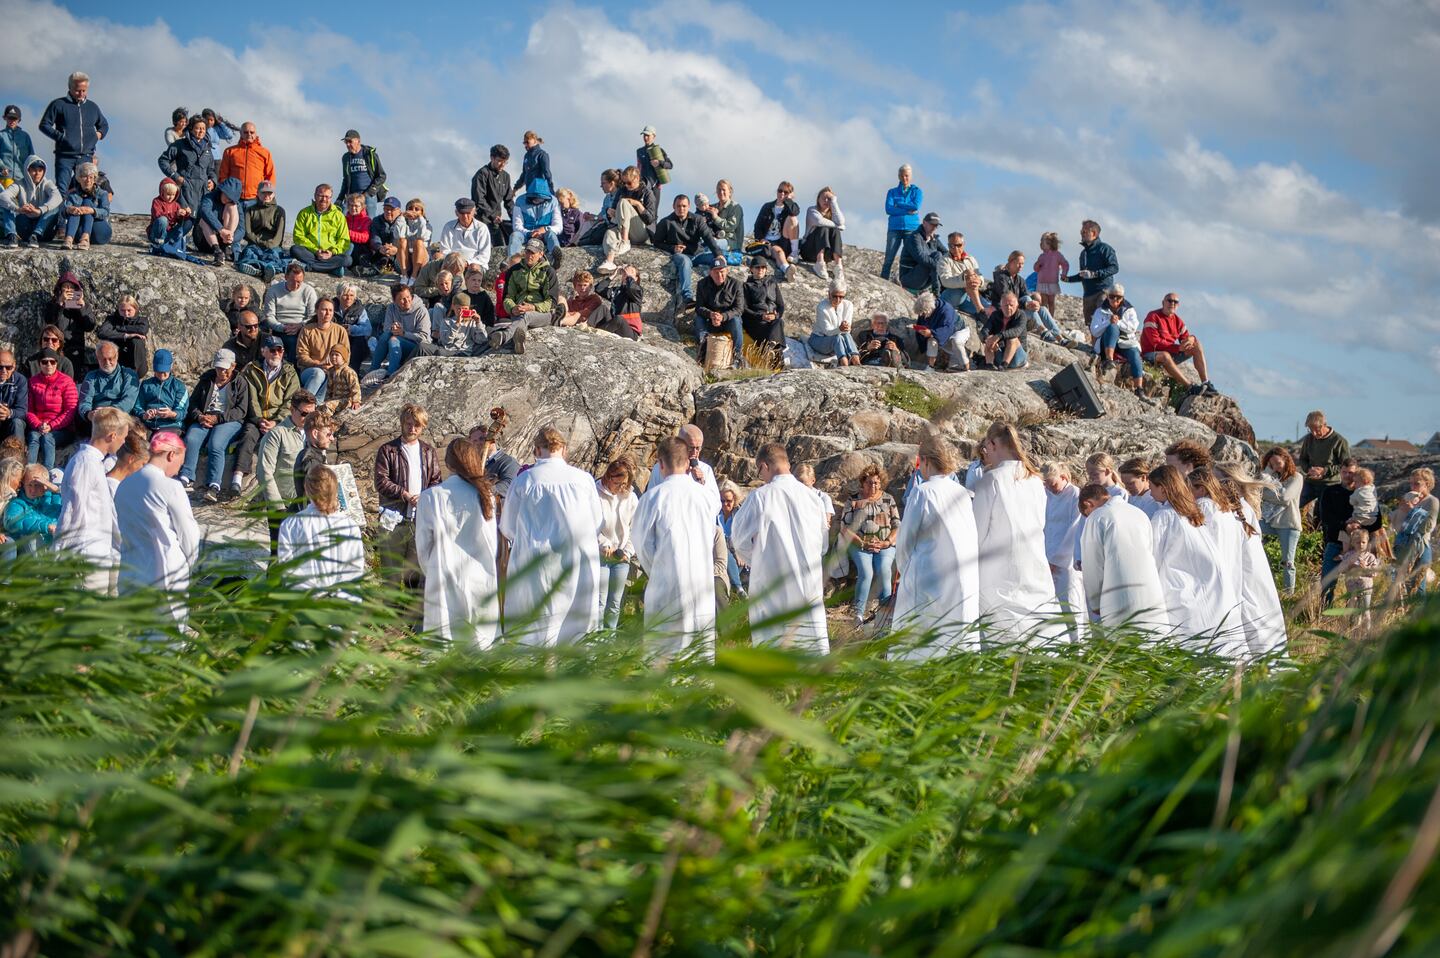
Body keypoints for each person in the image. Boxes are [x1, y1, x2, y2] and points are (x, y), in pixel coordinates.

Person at [499, 427, 604, 646]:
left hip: (537, 562)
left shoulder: (525, 481)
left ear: (536, 450)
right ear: (564, 449)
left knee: (536, 623)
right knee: (573, 624)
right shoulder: (583, 480)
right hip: (575, 560)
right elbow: (596, 523)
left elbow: (508, 526)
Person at [729, 443, 829, 653]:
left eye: (759, 471)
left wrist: (756, 560)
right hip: (807, 579)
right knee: (809, 642)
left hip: (772, 581)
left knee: (774, 643)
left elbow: (738, 539)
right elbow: (823, 543)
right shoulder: (813, 498)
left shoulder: (761, 496)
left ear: (764, 466)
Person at [971, 422, 1065, 645]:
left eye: (986, 449)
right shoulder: (1034, 481)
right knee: (1040, 635)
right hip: (1033, 565)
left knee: (1002, 641)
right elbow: (1041, 522)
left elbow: (976, 534)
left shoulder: (991, 480)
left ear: (993, 444)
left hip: (998, 573)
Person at [889, 437, 979, 655]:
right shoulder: (962, 493)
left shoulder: (923, 491)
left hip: (928, 572)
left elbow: (906, 538)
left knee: (922, 633)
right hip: (961, 573)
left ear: (926, 461)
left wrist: (902, 567)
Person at [632, 436, 718, 659]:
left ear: (661, 464)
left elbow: (641, 543)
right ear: (688, 463)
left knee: (666, 643)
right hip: (700, 578)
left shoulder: (653, 498)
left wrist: (657, 568)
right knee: (699, 640)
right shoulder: (705, 497)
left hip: (667, 578)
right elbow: (709, 535)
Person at [414, 438, 501, 646]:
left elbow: (423, 545)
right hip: (479, 572)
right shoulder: (485, 495)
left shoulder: (430, 497)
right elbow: (492, 541)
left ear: (448, 464)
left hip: (443, 571)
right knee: (480, 642)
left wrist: (431, 569)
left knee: (444, 641)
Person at [114, 431, 200, 626]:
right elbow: (189, 536)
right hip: (166, 572)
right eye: (180, 462)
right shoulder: (171, 486)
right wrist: (190, 565)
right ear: (172, 455)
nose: (179, 469)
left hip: (131, 571)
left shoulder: (124, 485)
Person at [1146, 464, 1235, 648]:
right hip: (1206, 586)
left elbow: (1152, 557)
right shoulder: (1192, 515)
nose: (1149, 493)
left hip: (1180, 587)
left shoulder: (1164, 517)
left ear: (1162, 488)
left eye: (1152, 487)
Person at [1215, 462, 1288, 658]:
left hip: (1246, 572)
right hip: (1249, 571)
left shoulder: (1239, 509)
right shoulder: (1240, 508)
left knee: (1252, 612)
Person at [1077, 483, 1168, 632]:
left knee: (1124, 645)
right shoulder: (1138, 513)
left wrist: (1095, 603)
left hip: (1118, 596)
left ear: (1088, 504)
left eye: (1087, 513)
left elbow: (1093, 564)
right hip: (1151, 594)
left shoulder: (1097, 517)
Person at [56, 405, 126, 593]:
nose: (124, 442)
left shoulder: (93, 462)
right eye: (123, 437)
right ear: (112, 436)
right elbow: (72, 509)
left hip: (96, 551)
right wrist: (59, 552)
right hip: (85, 554)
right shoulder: (85, 463)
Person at [374, 403, 441, 594]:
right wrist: (404, 494)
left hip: (419, 521)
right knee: (392, 577)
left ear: (423, 427)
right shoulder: (388, 450)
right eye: (409, 424)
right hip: (393, 521)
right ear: (402, 423)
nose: (412, 429)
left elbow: (436, 481)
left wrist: (425, 496)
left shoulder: (429, 452)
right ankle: (390, 623)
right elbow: (380, 481)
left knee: (416, 576)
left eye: (417, 425)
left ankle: (414, 623)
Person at [277, 465, 366, 599]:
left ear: (307, 490)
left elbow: (287, 570)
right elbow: (355, 569)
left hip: (304, 602)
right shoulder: (350, 526)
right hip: (343, 603)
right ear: (335, 489)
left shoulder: (290, 524)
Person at [177, 349, 249, 494]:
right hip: (205, 417)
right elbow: (193, 403)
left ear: (233, 366)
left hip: (228, 420)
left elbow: (241, 410)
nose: (222, 372)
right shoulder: (206, 379)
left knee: (216, 444)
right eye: (218, 368)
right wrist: (199, 416)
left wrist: (218, 419)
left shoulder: (240, 382)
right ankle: (187, 476)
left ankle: (214, 484)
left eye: (225, 368)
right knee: (191, 439)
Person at [838, 464, 900, 626]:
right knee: (866, 572)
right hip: (859, 543)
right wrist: (863, 543)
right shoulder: (854, 500)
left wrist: (887, 542)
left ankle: (884, 614)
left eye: (876, 483)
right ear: (863, 482)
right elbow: (845, 528)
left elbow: (897, 526)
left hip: (884, 545)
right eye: (869, 482)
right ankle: (858, 614)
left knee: (884, 570)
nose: (873, 486)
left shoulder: (888, 499)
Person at [237, 337, 298, 502]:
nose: (276, 353)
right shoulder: (251, 369)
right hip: (257, 418)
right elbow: (250, 398)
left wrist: (276, 421)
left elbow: (291, 401)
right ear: (263, 351)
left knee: (282, 441)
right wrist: (259, 420)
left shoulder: (289, 372)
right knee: (248, 435)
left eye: (279, 350)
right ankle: (238, 477)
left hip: (279, 419)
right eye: (272, 350)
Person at [255, 390, 316, 553]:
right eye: (304, 414)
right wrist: (279, 508)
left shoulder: (314, 435)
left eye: (312, 414)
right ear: (292, 409)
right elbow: (264, 472)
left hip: (308, 507)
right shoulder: (276, 435)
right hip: (283, 505)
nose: (308, 418)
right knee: (279, 557)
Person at [653, 193, 726, 311]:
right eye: (678, 206)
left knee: (718, 261)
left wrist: (718, 255)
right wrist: (673, 248)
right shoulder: (666, 222)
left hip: (698, 254)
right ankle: (687, 298)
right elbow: (656, 242)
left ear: (689, 206)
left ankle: (722, 294)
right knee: (684, 262)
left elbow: (708, 238)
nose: (681, 209)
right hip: (681, 255)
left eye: (684, 206)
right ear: (673, 206)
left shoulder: (697, 219)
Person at [39, 72, 108, 194]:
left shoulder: (93, 107)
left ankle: (82, 213)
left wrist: (97, 135)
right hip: (65, 156)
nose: (81, 94)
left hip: (86, 157)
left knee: (85, 190)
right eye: (77, 90)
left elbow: (104, 125)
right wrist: (61, 137)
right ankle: (61, 213)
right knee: (61, 190)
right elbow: (44, 125)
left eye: (84, 90)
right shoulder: (59, 105)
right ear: (70, 87)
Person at [1041, 462, 1086, 634]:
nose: (1050, 488)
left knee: (1070, 602)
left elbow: (1074, 529)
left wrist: (1056, 560)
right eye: (1046, 484)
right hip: (1047, 554)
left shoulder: (1074, 494)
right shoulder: (1047, 494)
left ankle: (1077, 641)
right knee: (1051, 604)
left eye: (1053, 484)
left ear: (1063, 477)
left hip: (1065, 560)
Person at [1141, 292, 1215, 395]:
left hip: (1168, 354)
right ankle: (1190, 387)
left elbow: (1186, 340)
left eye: (1175, 302)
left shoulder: (1178, 321)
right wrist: (1178, 348)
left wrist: (1191, 339)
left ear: (1178, 305)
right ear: (1163, 303)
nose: (1172, 303)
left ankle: (1205, 383)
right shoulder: (1153, 316)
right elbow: (1155, 344)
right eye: (1169, 300)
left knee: (1197, 346)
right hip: (1150, 355)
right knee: (1166, 356)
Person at [595, 457, 639, 630]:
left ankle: (609, 640)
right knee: (600, 601)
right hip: (601, 555)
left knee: (614, 602)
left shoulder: (631, 498)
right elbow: (590, 525)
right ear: (609, 477)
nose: (622, 488)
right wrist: (603, 544)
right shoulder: (595, 493)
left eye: (625, 484)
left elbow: (635, 528)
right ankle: (594, 642)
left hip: (621, 557)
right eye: (618, 483)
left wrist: (627, 552)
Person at [493, 239, 558, 354]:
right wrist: (513, 308)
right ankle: (518, 343)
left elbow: (552, 302)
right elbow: (507, 297)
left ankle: (503, 336)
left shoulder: (549, 272)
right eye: (528, 251)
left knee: (526, 315)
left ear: (541, 254)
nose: (529, 255)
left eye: (533, 253)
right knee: (522, 318)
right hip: (518, 312)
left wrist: (532, 307)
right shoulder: (513, 271)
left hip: (543, 314)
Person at [157, 115, 215, 234]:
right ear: (191, 129)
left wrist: (213, 181)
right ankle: (166, 242)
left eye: (203, 129)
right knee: (187, 222)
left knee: (203, 226)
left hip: (203, 192)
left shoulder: (208, 149)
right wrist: (175, 176)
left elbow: (211, 170)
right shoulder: (180, 145)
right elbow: (163, 160)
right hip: (186, 189)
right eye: (198, 128)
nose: (201, 131)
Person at [1258, 447, 1303, 594]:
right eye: (1272, 465)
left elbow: (1285, 498)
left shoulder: (1296, 477)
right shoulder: (1273, 477)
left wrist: (1269, 491)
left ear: (1286, 459)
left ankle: (1288, 594)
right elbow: (1260, 491)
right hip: (1270, 520)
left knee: (1288, 562)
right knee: (1251, 527)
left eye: (1277, 463)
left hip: (1288, 523)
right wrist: (1268, 474)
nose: (1276, 467)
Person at [596, 166, 657, 273]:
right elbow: (613, 214)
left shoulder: (647, 193)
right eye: (624, 183)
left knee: (624, 202)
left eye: (629, 183)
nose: (626, 186)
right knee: (609, 233)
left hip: (640, 232)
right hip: (622, 227)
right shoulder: (622, 191)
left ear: (637, 178)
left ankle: (624, 242)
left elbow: (650, 219)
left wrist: (638, 204)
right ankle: (610, 261)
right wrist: (610, 213)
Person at [1090, 285, 1146, 396]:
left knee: (1134, 353)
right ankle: (1109, 360)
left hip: (1124, 342)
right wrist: (1108, 322)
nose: (1115, 300)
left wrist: (1118, 322)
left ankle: (1139, 388)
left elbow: (1133, 328)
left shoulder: (1130, 310)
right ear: (1107, 297)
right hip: (1105, 342)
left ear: (1123, 298)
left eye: (1118, 297)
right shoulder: (1100, 311)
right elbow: (1094, 331)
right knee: (1112, 327)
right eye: (1112, 296)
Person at [24, 349, 77, 468]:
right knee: (33, 437)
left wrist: (51, 426)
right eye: (45, 362)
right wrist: (38, 425)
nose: (49, 365)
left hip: (63, 428)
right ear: (39, 364)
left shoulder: (66, 382)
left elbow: (70, 410)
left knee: (48, 438)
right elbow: (29, 409)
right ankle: (29, 472)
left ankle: (48, 473)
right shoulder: (33, 382)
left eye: (52, 362)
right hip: (39, 426)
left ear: (56, 363)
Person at [369, 284, 432, 379]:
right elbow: (386, 329)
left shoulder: (421, 311)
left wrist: (404, 333)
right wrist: (393, 329)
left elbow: (424, 338)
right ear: (395, 301)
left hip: (416, 348)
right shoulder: (391, 308)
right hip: (396, 343)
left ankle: (391, 375)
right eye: (402, 299)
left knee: (394, 340)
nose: (407, 301)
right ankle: (372, 371)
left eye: (408, 297)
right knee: (386, 335)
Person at [1062, 219, 1119, 324]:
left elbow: (1114, 267)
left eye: (1084, 231)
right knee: (1091, 325)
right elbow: (1083, 275)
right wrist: (1068, 279)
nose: (1081, 234)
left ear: (1093, 233)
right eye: (1081, 232)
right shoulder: (1083, 254)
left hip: (1103, 291)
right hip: (1088, 294)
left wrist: (1095, 274)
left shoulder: (1105, 249)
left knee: (1104, 320)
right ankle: (1094, 341)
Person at [77, 342, 140, 433]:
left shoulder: (128, 375)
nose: (107, 362)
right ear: (98, 358)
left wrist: (108, 412)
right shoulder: (91, 377)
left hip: (120, 416)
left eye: (110, 358)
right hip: (97, 419)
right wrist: (89, 414)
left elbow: (129, 401)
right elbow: (84, 402)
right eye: (103, 359)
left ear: (117, 356)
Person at [289, 183, 352, 275]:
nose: (324, 199)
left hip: (331, 255)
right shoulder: (304, 213)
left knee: (347, 259)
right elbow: (298, 237)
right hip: (311, 253)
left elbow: (344, 240)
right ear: (315, 196)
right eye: (321, 196)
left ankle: (310, 267)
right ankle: (331, 269)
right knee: (295, 249)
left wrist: (332, 252)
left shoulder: (339, 216)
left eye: (327, 197)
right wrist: (315, 250)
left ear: (331, 198)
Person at [1, 155, 64, 247]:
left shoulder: (47, 183)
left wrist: (40, 210)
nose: (37, 173)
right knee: (7, 206)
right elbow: (2, 196)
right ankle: (12, 236)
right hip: (25, 228)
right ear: (28, 171)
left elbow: (58, 197)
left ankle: (35, 235)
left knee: (54, 207)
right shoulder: (19, 184)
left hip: (44, 231)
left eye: (40, 170)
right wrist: (18, 209)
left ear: (43, 171)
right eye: (34, 170)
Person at [1296, 410, 1351, 510]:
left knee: (1324, 512)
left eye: (1316, 429)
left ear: (1324, 424)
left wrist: (1324, 471)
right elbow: (1302, 459)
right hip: (1311, 482)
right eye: (1310, 429)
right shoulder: (1309, 439)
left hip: (1330, 484)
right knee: (1294, 504)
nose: (1314, 433)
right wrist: (1309, 470)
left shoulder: (1339, 441)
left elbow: (1346, 465)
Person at [45, 270, 97, 376]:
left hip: (76, 346)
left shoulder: (84, 305)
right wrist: (60, 303)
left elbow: (89, 326)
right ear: (60, 289)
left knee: (73, 376)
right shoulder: (53, 304)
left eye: (71, 287)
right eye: (65, 286)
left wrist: (81, 308)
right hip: (57, 345)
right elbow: (49, 321)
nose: (68, 289)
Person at [296, 299, 349, 401]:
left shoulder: (340, 331)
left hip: (332, 369)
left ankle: (316, 405)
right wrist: (318, 364)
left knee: (333, 374)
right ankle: (303, 403)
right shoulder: (307, 330)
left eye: (330, 310)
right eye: (324, 309)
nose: (328, 313)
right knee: (318, 373)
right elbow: (301, 355)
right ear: (317, 310)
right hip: (310, 370)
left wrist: (333, 366)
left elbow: (346, 355)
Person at [693, 259, 744, 366]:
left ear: (727, 271)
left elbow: (739, 308)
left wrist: (723, 316)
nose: (719, 275)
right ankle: (703, 350)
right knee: (698, 319)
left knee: (736, 320)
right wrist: (711, 314)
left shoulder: (736, 284)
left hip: (727, 320)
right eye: (716, 272)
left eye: (722, 271)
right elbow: (699, 307)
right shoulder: (702, 284)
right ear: (710, 272)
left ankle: (737, 356)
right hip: (710, 319)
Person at [236, 181, 288, 280]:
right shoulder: (250, 210)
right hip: (254, 243)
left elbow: (279, 235)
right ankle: (259, 269)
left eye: (269, 193)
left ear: (274, 194)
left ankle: (263, 269)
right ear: (258, 193)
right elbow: (248, 232)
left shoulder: (279, 211)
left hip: (272, 245)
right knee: (249, 253)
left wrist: (270, 244)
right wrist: (259, 242)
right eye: (263, 192)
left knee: (273, 256)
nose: (267, 195)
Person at [740, 257, 787, 367]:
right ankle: (776, 360)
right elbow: (744, 309)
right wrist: (761, 316)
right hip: (756, 323)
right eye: (757, 267)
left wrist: (776, 315)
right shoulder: (746, 286)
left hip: (772, 321)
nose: (760, 270)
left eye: (763, 267)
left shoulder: (772, 283)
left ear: (766, 269)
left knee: (779, 322)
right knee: (778, 325)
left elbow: (781, 305)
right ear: (751, 269)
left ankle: (770, 353)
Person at [262, 262, 319, 351]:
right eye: (292, 281)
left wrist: (301, 325)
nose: (295, 285)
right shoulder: (273, 290)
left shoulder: (309, 291)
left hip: (303, 328)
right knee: (290, 342)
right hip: (280, 327)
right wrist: (282, 327)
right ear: (286, 277)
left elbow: (313, 316)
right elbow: (269, 316)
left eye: (299, 282)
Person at [4, 464, 61, 550]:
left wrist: (57, 490)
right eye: (29, 485)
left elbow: (76, 508)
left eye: (37, 485)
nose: (33, 490)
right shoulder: (17, 503)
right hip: (31, 555)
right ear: (23, 484)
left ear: (45, 485)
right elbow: (12, 522)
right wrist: (45, 526)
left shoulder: (53, 499)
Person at [217, 121, 275, 207]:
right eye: (246, 132)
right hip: (234, 199)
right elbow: (223, 175)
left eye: (252, 132)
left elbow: (270, 176)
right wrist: (226, 194)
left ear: (256, 134)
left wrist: (268, 195)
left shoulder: (265, 153)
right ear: (241, 133)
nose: (249, 134)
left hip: (256, 199)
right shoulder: (230, 152)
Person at [909, 291, 968, 372]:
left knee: (956, 341)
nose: (922, 316)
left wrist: (931, 332)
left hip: (959, 330)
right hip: (943, 333)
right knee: (932, 340)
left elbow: (947, 327)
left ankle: (966, 366)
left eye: (923, 313)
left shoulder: (946, 309)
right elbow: (923, 324)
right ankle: (930, 367)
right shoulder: (926, 311)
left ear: (929, 308)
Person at [752, 182, 801, 279]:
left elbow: (795, 212)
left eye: (785, 192)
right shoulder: (767, 206)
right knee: (779, 252)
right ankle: (787, 270)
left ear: (789, 194)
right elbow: (757, 226)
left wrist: (789, 200)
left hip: (783, 240)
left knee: (792, 219)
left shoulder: (789, 207)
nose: (782, 193)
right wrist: (761, 239)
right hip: (769, 242)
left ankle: (794, 253)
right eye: (780, 190)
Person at [881, 165, 922, 281]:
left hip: (912, 228)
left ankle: (911, 283)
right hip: (895, 228)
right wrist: (906, 210)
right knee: (889, 257)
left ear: (911, 176)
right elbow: (888, 209)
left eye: (907, 176)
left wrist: (898, 205)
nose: (904, 178)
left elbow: (916, 206)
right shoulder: (892, 192)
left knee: (911, 257)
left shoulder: (917, 191)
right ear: (899, 176)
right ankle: (883, 281)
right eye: (902, 176)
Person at [133, 350, 187, 432]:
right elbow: (138, 406)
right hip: (147, 425)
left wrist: (171, 414)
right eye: (158, 371)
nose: (161, 374)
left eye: (164, 371)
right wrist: (144, 415)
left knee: (160, 443)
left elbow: (182, 411)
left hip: (171, 426)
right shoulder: (146, 384)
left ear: (171, 366)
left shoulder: (179, 386)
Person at [1337, 527, 1380, 630]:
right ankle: (1352, 628)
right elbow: (1340, 569)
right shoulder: (1348, 555)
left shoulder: (1370, 557)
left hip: (1365, 587)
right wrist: (1349, 566)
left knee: (1365, 609)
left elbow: (1375, 573)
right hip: (1352, 587)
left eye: (1363, 542)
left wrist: (1366, 568)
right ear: (1352, 543)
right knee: (1352, 608)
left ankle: (1367, 631)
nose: (1360, 545)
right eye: (1357, 542)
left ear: (1367, 542)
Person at [60, 161, 110, 249]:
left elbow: (106, 212)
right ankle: (69, 239)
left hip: (98, 231)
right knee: (75, 210)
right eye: (85, 177)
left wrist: (92, 210)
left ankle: (85, 238)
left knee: (87, 202)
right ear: (79, 178)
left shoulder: (102, 193)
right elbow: (63, 211)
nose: (88, 180)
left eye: (91, 177)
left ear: (95, 179)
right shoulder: (72, 194)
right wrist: (69, 209)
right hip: (78, 231)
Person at [96, 294, 150, 376]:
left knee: (136, 341)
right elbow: (102, 333)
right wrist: (126, 336)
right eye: (122, 310)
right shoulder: (111, 319)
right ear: (118, 309)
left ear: (135, 309)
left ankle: (133, 375)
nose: (126, 313)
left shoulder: (142, 320)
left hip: (137, 363)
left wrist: (119, 328)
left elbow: (142, 330)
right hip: (117, 359)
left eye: (129, 310)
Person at [422, 292, 489, 356]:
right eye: (459, 309)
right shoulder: (446, 322)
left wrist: (478, 323)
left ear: (469, 308)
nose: (461, 312)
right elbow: (446, 342)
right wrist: (457, 324)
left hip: (465, 352)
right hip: (449, 350)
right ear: (453, 306)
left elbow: (482, 340)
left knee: (440, 352)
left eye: (465, 309)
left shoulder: (472, 322)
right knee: (423, 346)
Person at [194, 176, 243, 265]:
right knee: (203, 220)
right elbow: (204, 211)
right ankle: (217, 252)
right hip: (204, 240)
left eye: (231, 198)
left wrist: (231, 237)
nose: (227, 199)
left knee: (232, 207)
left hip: (224, 241)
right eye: (226, 195)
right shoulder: (209, 197)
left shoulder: (235, 204)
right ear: (222, 190)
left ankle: (227, 246)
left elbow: (242, 229)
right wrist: (221, 230)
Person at [471, 145, 513, 247]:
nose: (502, 164)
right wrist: (493, 215)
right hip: (481, 220)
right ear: (492, 158)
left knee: (500, 248)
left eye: (505, 162)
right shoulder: (482, 174)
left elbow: (509, 201)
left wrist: (515, 217)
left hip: (496, 222)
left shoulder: (506, 176)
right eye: (500, 161)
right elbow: (479, 200)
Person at [339, 129, 387, 218]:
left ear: (358, 141)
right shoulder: (346, 158)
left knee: (369, 220)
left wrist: (368, 194)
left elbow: (382, 176)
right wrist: (339, 199)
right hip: (351, 196)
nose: (348, 144)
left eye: (350, 141)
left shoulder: (370, 154)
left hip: (368, 196)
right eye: (346, 142)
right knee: (343, 217)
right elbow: (345, 180)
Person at [800, 186, 845, 280]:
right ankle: (819, 263)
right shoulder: (812, 210)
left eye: (829, 198)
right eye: (823, 197)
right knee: (823, 227)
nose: (826, 200)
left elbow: (841, 222)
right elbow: (819, 221)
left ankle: (838, 266)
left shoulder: (833, 213)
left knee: (835, 231)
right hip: (809, 251)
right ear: (818, 199)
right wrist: (838, 226)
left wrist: (834, 202)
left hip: (827, 255)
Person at [507, 180, 561, 258]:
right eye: (536, 198)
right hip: (526, 234)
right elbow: (517, 226)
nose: (538, 200)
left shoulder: (554, 202)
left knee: (551, 235)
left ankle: (555, 257)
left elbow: (558, 226)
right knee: (515, 235)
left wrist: (545, 229)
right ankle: (513, 261)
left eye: (541, 199)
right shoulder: (520, 201)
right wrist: (530, 233)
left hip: (545, 233)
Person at [811, 281, 859, 366]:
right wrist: (840, 329)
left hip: (839, 340)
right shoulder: (822, 307)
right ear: (829, 294)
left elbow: (847, 331)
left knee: (846, 336)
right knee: (837, 338)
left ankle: (856, 361)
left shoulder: (848, 305)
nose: (838, 300)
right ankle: (844, 363)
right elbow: (827, 332)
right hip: (819, 339)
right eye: (835, 296)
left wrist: (844, 328)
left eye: (841, 297)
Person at [898, 212, 946, 295]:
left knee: (939, 256)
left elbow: (946, 253)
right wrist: (939, 265)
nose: (934, 228)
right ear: (924, 223)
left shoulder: (934, 239)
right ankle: (937, 292)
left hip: (924, 280)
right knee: (936, 256)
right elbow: (921, 258)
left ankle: (940, 290)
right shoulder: (914, 237)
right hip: (909, 279)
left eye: (936, 226)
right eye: (932, 225)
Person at [594, 264, 645, 340]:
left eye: (631, 272)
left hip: (630, 331)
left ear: (636, 278)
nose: (627, 273)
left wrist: (629, 276)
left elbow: (631, 288)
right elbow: (599, 288)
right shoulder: (617, 291)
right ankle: (587, 328)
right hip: (614, 326)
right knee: (602, 308)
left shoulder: (638, 292)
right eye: (625, 272)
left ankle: (596, 333)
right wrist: (612, 275)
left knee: (619, 319)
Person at [436, 197, 492, 264]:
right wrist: (457, 262)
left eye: (468, 213)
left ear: (474, 212)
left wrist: (467, 263)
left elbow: (484, 256)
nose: (465, 216)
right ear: (456, 213)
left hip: (475, 264)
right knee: (436, 259)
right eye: (462, 213)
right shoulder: (448, 226)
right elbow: (445, 250)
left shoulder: (481, 228)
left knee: (474, 268)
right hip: (453, 263)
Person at [981, 292, 1029, 369]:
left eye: (1011, 305)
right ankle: (989, 365)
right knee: (989, 338)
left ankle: (1004, 365)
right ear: (1001, 306)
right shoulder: (995, 315)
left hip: (1017, 358)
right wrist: (988, 338)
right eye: (1006, 305)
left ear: (1017, 306)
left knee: (1013, 338)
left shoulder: (1021, 315)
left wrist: (999, 336)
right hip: (1000, 354)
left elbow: (1017, 331)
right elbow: (984, 330)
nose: (1009, 307)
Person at [146, 177, 192, 256]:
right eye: (168, 194)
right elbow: (158, 216)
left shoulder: (176, 205)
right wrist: (175, 214)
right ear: (162, 192)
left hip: (168, 234)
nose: (171, 197)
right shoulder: (156, 201)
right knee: (163, 220)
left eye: (173, 194)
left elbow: (179, 220)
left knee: (189, 222)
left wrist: (186, 214)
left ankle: (171, 243)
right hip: (156, 233)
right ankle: (158, 244)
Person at [937, 232, 982, 310]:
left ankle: (980, 310)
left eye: (959, 245)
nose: (955, 248)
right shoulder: (944, 260)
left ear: (963, 244)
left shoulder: (971, 259)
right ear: (948, 245)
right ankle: (980, 309)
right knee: (970, 274)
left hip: (968, 295)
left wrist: (979, 281)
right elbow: (945, 281)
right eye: (951, 246)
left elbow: (980, 275)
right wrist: (965, 280)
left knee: (990, 310)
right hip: (951, 294)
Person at [394, 198, 433, 284]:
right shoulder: (403, 222)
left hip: (421, 260)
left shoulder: (427, 225)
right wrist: (401, 216)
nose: (413, 211)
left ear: (422, 212)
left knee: (419, 242)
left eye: (417, 209)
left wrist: (420, 218)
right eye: (410, 208)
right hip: (406, 261)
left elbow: (422, 237)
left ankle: (414, 277)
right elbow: (399, 236)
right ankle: (404, 276)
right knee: (402, 241)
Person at [636, 125, 673, 205]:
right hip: (642, 186)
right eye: (644, 135)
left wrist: (659, 162)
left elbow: (670, 165)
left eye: (648, 135)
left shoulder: (659, 150)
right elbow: (638, 168)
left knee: (653, 214)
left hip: (655, 187)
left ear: (654, 136)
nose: (645, 138)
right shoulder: (639, 151)